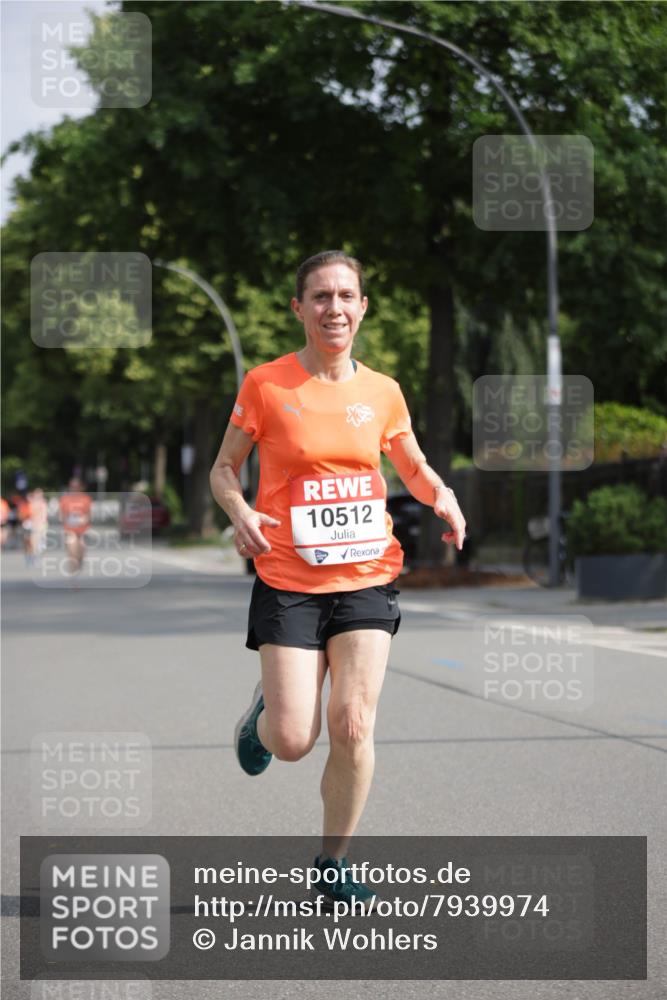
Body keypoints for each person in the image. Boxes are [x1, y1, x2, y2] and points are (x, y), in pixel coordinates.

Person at [209, 251, 466, 909]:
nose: (334, 308)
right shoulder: (267, 385)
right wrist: (239, 510)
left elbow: (410, 463)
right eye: (320, 296)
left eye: (345, 295)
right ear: (299, 308)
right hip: (287, 577)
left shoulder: (382, 390)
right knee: (295, 740)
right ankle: (262, 715)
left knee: (353, 723)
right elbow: (222, 469)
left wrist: (440, 494)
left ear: (362, 307)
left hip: (365, 576)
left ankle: (332, 862)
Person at [59, 477, 92, 577]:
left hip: (82, 530)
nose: (74, 488)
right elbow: (61, 515)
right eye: (72, 486)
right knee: (72, 553)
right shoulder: (64, 499)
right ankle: (74, 577)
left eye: (76, 487)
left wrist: (83, 519)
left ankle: (79, 564)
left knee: (81, 553)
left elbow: (88, 515)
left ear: (80, 487)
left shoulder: (86, 499)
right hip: (70, 530)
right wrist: (66, 520)